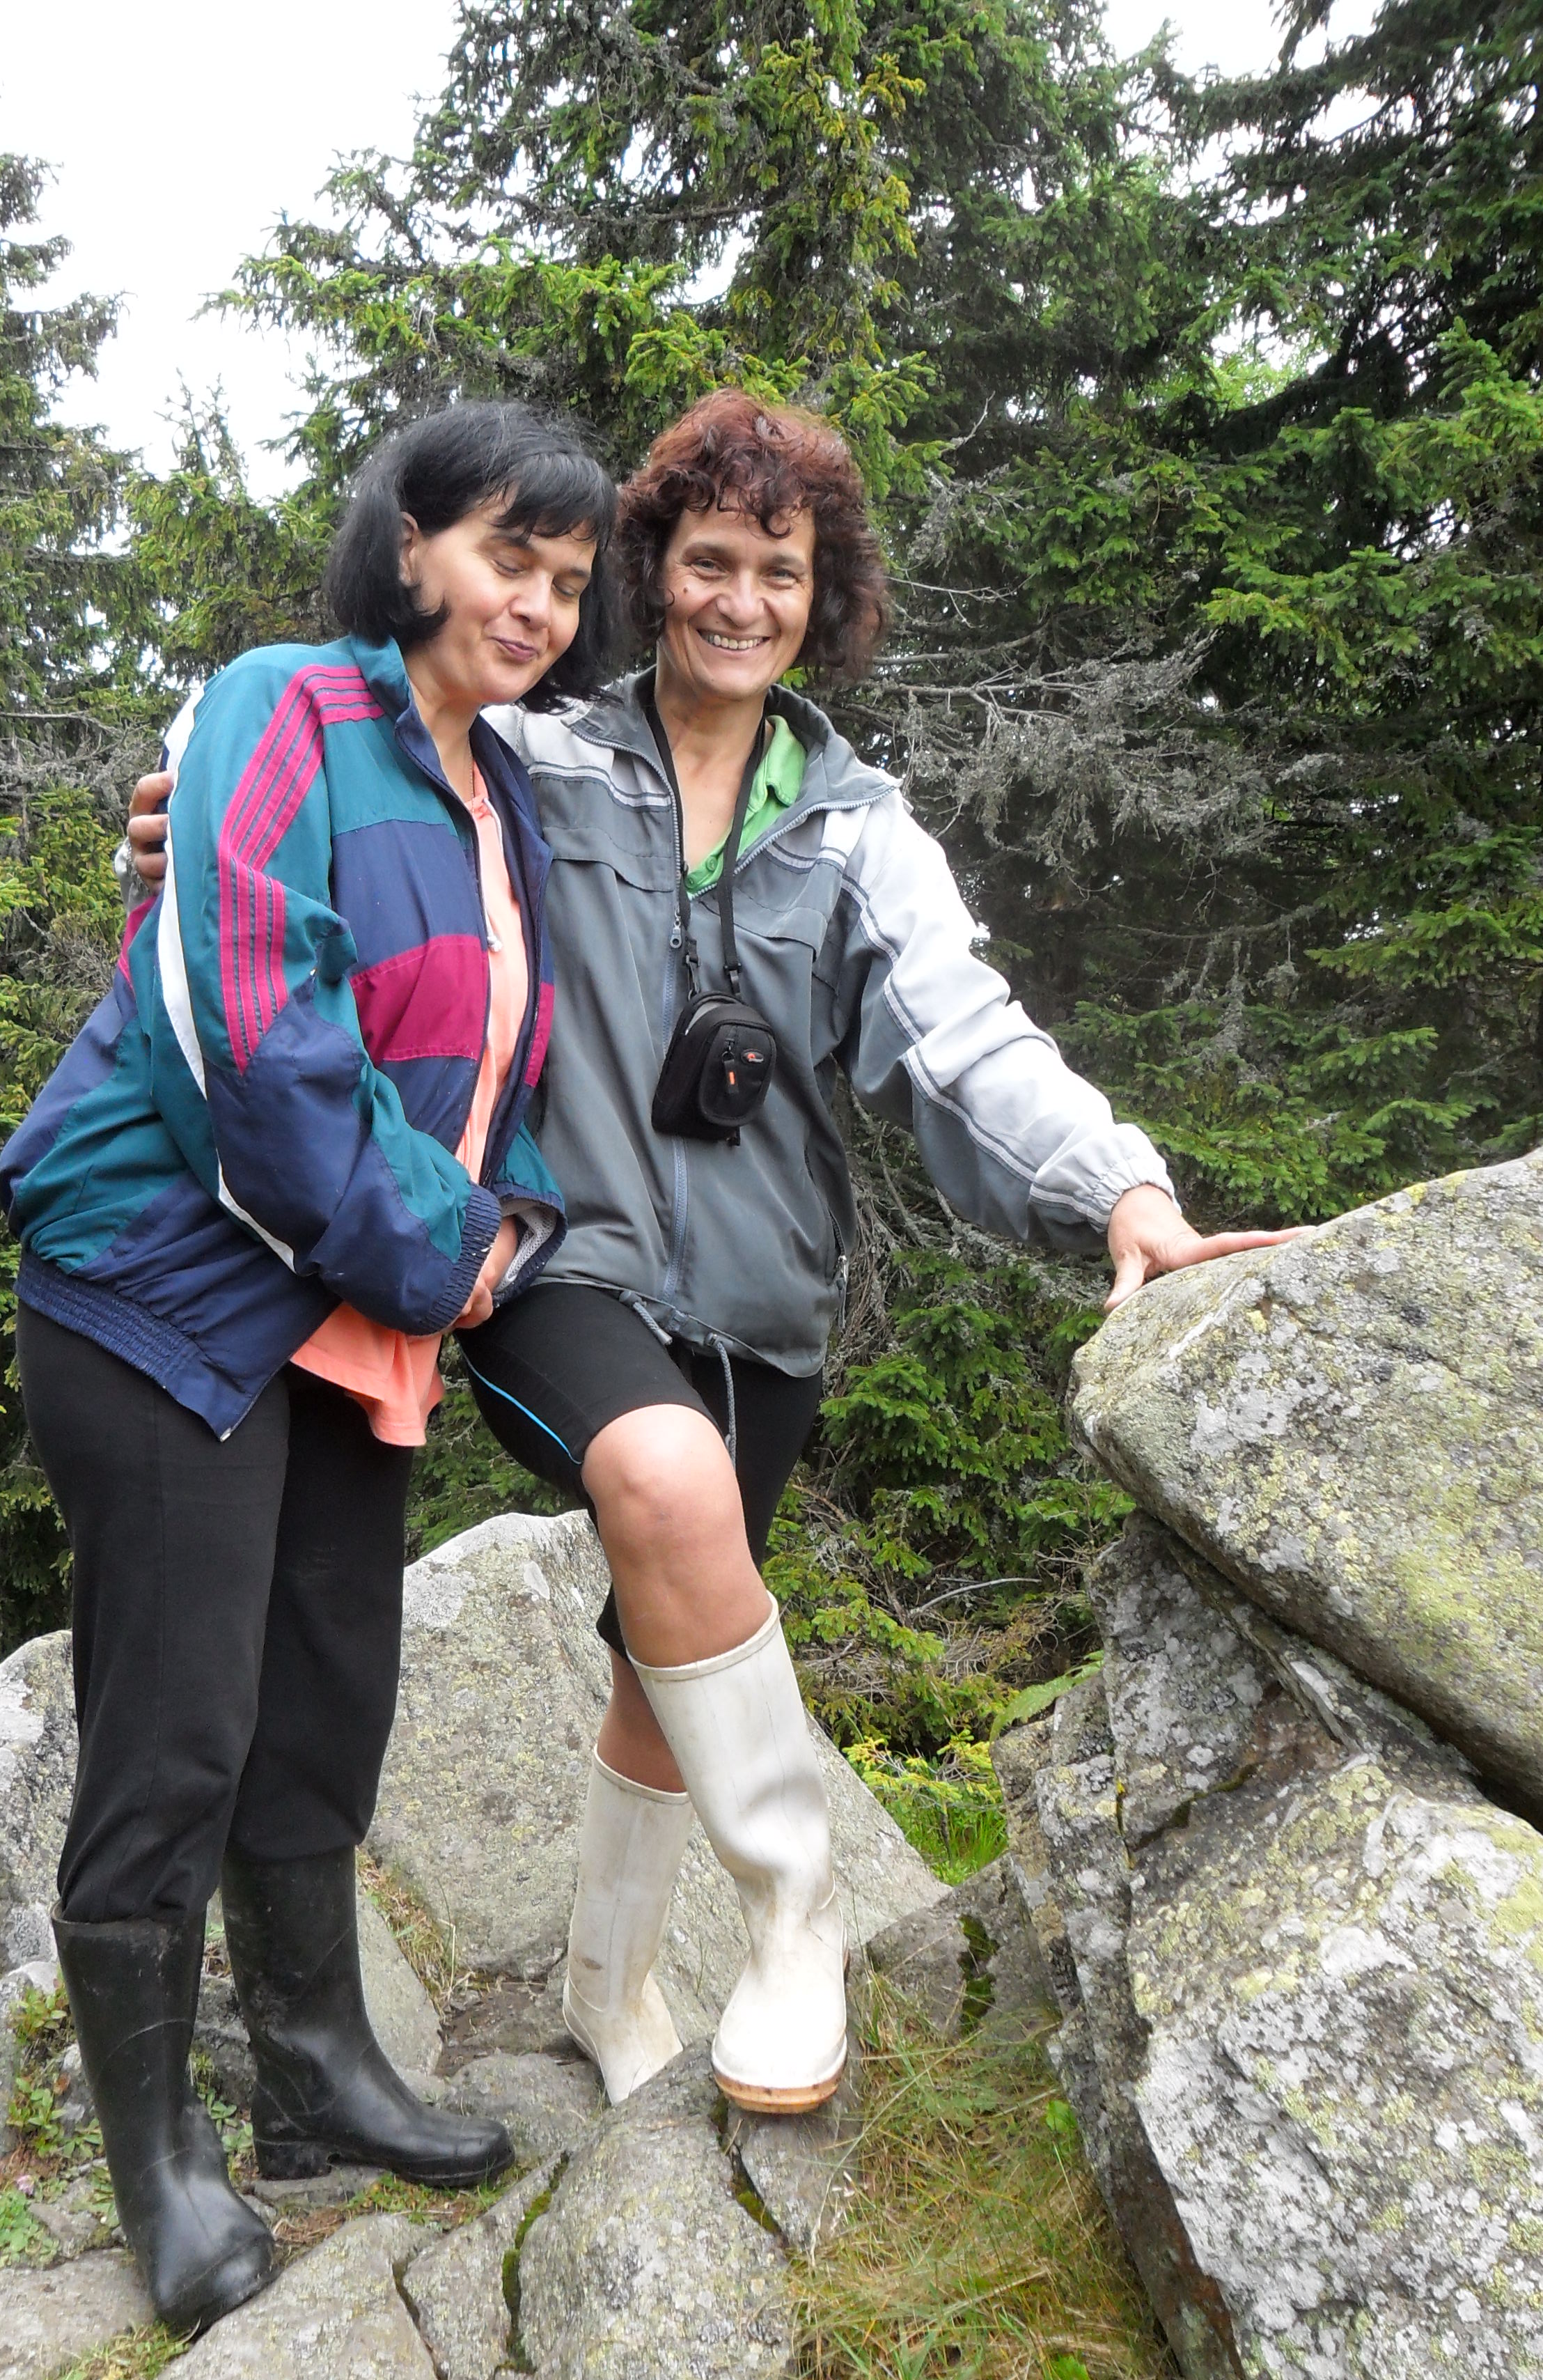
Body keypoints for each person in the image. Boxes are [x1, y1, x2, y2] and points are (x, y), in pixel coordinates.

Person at [123, 389, 1294, 2124]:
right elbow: (340, 778)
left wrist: (1120, 1190)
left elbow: (966, 1039)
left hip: (769, 1303)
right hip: (560, 1264)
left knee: (663, 1654)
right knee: (664, 1487)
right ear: (653, 574)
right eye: (712, 561)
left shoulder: (858, 827)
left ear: (826, 600)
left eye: (783, 572)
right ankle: (794, 1908)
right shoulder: (536, 761)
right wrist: (181, 822)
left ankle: (605, 1984)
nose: (744, 601)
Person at [0, 400, 616, 2333]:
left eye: (568, 581)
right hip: (162, 1288)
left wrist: (508, 1215)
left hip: (350, 1320)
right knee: (177, 1723)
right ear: (411, 544)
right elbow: (260, 1053)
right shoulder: (285, 708)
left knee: (327, 1693)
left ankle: (317, 2075)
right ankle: (156, 2156)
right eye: (510, 556)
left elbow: (492, 1065)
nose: (539, 606)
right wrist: (464, 1249)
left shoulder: (500, 796)